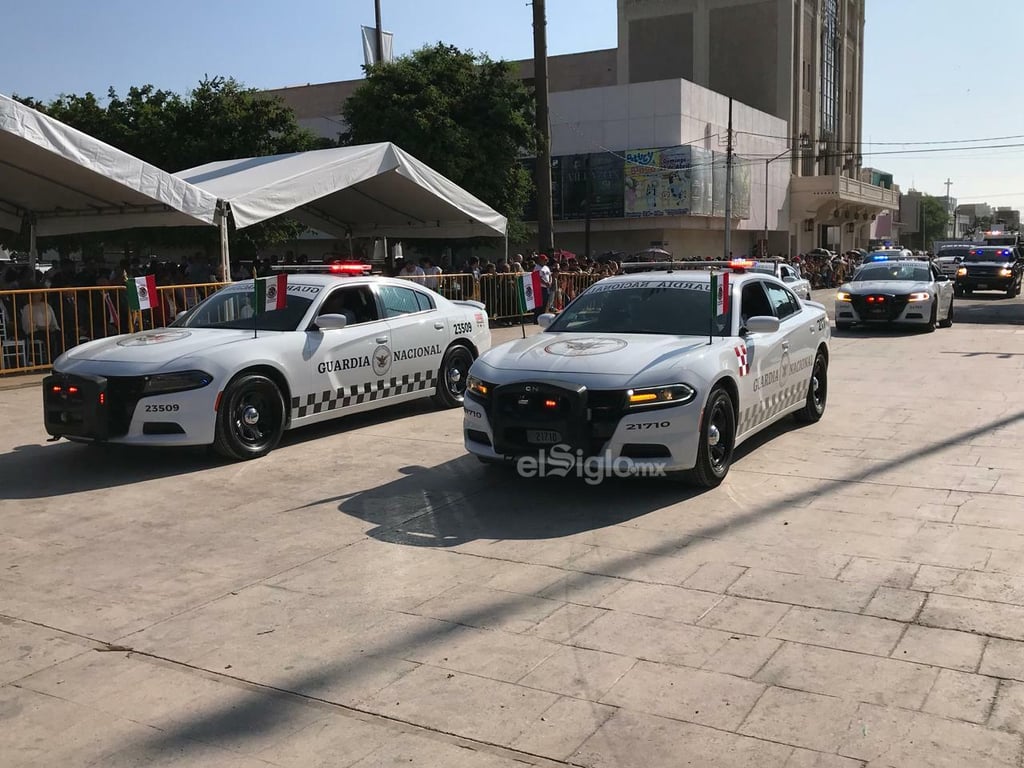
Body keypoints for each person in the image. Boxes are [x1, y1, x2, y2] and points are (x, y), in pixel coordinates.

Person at [532, 254, 552, 323]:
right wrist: (545, 283)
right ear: (540, 260)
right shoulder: (537, 267)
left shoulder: (546, 267)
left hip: (546, 288)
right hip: (539, 287)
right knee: (539, 305)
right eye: (545, 260)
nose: (546, 261)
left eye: (547, 260)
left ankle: (542, 319)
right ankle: (536, 320)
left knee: (545, 304)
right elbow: (538, 277)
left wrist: (549, 282)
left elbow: (550, 275)